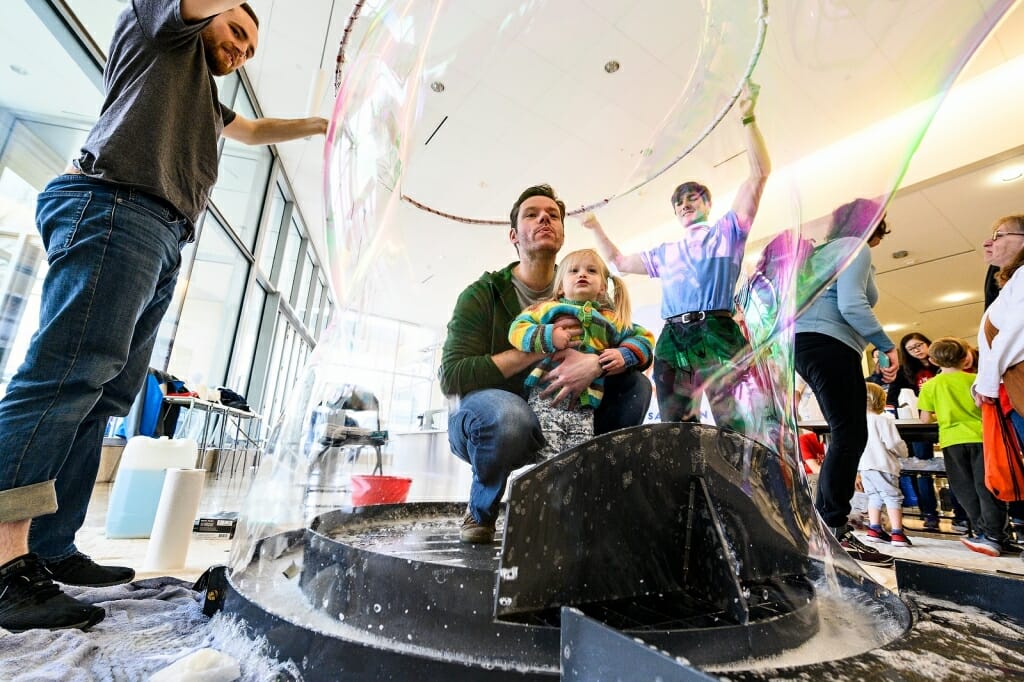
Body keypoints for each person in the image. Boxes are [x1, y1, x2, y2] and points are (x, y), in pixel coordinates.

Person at [0, 1, 328, 632]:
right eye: (235, 32)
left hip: (158, 230)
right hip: (115, 205)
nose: (239, 52)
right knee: (65, 376)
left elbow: (255, 133)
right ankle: (5, 563)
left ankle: (50, 546)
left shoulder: (204, 96)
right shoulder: (162, 31)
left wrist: (319, 125)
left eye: (250, 50)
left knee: (105, 393)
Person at [439, 184, 653, 545]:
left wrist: (595, 364)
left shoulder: (591, 305)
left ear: (562, 234)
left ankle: (589, 508)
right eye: (532, 214)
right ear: (514, 235)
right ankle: (481, 513)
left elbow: (637, 339)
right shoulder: (485, 295)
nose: (544, 219)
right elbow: (453, 376)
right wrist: (544, 345)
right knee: (511, 417)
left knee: (637, 387)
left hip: (574, 410)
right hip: (494, 416)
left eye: (553, 215)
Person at [581, 80, 770, 431]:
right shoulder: (667, 253)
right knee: (675, 423)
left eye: (692, 198)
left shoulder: (727, 233)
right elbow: (620, 263)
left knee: (734, 421)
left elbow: (759, 175)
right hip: (673, 335)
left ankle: (738, 482)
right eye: (679, 202)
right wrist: (594, 227)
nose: (684, 204)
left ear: (708, 204)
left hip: (717, 328)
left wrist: (748, 119)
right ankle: (688, 485)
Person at [793, 200, 899, 566]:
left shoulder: (816, 256)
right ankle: (832, 530)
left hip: (806, 345)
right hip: (830, 344)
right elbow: (853, 305)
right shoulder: (855, 247)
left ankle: (825, 525)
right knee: (851, 435)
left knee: (845, 434)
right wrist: (887, 345)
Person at [509, 249, 655, 459]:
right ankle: (545, 488)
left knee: (579, 454)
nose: (582, 274)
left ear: (603, 288)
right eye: (574, 271)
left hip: (587, 401)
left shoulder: (610, 318)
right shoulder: (547, 309)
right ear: (560, 288)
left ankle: (579, 487)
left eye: (591, 271)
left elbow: (643, 337)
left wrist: (625, 353)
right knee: (548, 451)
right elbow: (517, 329)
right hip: (546, 395)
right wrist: (548, 335)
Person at [919, 338, 1010, 556]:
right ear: (965, 357)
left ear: (932, 360)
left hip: (952, 441)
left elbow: (924, 419)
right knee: (987, 486)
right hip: (983, 438)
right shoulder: (976, 379)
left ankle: (982, 532)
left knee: (964, 489)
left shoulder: (931, 385)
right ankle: (995, 534)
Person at [977, 215, 1024, 541]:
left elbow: (1014, 335)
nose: (988, 242)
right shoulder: (1013, 280)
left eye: (999, 235)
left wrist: (987, 385)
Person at [885, 333, 944, 531]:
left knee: (953, 469)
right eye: (911, 348)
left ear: (928, 344)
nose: (917, 350)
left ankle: (963, 516)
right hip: (921, 424)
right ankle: (929, 514)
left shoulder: (943, 365)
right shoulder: (906, 371)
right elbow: (892, 397)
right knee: (924, 469)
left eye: (920, 345)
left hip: (947, 420)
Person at [860, 383, 912, 547]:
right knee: (892, 497)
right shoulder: (883, 421)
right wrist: (904, 452)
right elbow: (893, 443)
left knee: (874, 497)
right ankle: (897, 532)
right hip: (883, 465)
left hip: (865, 467)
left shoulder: (857, 422)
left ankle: (874, 529)